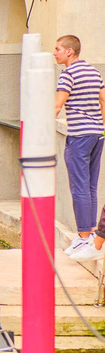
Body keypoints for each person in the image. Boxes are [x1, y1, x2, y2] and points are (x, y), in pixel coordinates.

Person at [53, 35, 105, 255]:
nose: (54, 53)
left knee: (79, 187)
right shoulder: (94, 72)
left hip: (79, 136)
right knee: (91, 186)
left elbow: (57, 105)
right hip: (97, 135)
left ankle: (84, 236)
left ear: (69, 52)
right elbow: (103, 99)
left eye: (57, 49)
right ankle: (90, 233)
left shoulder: (68, 74)